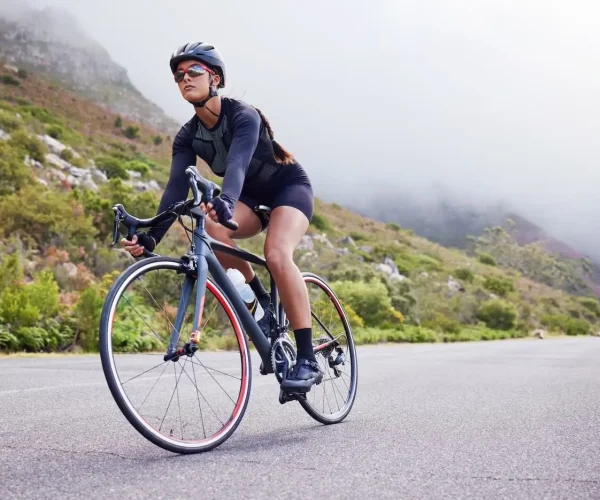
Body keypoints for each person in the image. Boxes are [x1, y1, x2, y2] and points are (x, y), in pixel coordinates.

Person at [121, 41, 322, 392]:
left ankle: (307, 357)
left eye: (194, 71)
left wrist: (226, 198)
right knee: (211, 229)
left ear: (215, 78)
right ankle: (263, 307)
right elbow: (174, 189)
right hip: (248, 198)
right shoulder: (187, 136)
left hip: (287, 189)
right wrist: (151, 235)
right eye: (179, 75)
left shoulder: (244, 115)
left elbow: (237, 163)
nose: (185, 78)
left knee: (276, 254)